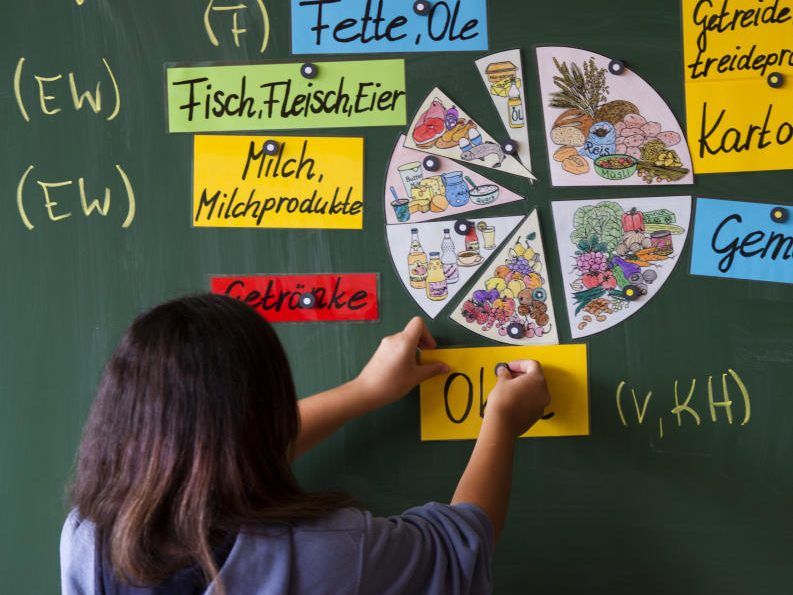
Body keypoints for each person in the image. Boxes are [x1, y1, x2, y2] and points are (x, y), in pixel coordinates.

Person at [60, 294, 551, 594]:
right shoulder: (324, 551)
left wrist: (364, 391)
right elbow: (457, 546)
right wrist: (502, 421)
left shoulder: (89, 534)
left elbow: (218, 464)